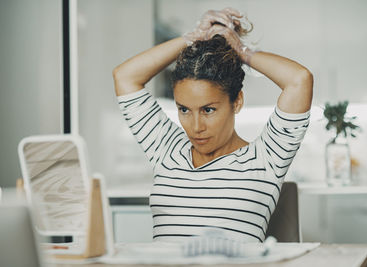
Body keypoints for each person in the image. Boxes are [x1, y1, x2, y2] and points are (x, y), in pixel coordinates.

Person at [113, 7, 313, 243]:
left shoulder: (266, 158)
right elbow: (125, 76)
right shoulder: (166, 150)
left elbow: (299, 80)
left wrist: (242, 51)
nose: (196, 127)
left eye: (208, 110)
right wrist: (192, 37)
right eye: (184, 110)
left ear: (236, 101)